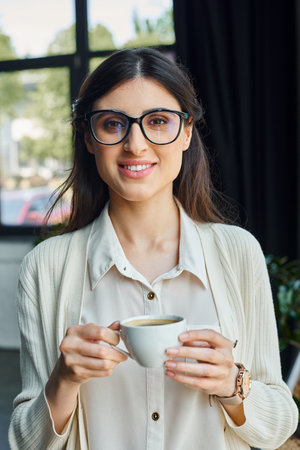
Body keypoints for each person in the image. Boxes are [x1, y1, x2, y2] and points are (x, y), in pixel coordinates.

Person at [9, 48, 297, 450]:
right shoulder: (46, 268)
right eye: (112, 124)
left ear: (186, 132)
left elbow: (280, 425)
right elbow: (26, 442)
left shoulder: (239, 252)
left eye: (158, 121)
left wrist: (233, 384)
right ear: (89, 139)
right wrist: (64, 380)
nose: (135, 144)